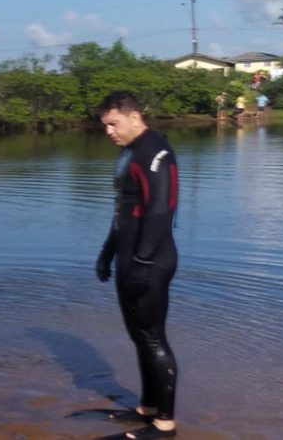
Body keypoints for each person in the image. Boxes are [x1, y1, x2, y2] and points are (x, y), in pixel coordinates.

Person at [95, 91, 178, 440]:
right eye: (105, 126)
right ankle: (147, 407)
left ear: (134, 116)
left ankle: (165, 425)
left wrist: (142, 260)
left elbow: (161, 211)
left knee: (153, 338)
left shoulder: (154, 152)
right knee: (139, 336)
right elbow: (124, 212)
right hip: (130, 257)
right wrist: (107, 252)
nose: (109, 131)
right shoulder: (130, 152)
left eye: (113, 123)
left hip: (151, 260)